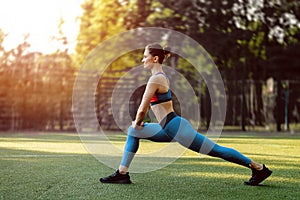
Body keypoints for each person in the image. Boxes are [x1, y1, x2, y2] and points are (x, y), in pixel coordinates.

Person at [100, 43, 272, 186]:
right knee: (133, 132)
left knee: (216, 151)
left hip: (177, 128)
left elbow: (142, 108)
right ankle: (122, 173)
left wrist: (137, 122)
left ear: (155, 58)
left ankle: (258, 168)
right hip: (166, 127)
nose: (142, 59)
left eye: (145, 56)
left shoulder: (156, 79)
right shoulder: (157, 77)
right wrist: (136, 126)